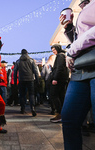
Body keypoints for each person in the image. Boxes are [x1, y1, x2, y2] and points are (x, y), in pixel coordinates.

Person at [59, 0, 95, 149]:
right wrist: (69, 27)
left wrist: (72, 50)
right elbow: (80, 39)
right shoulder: (85, 6)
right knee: (69, 120)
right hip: (81, 68)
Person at [14, 49, 39, 116]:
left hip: (21, 79)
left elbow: (15, 71)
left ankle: (22, 108)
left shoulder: (18, 61)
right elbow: (35, 71)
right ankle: (32, 108)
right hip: (30, 79)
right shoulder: (31, 60)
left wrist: (14, 81)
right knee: (31, 94)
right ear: (27, 53)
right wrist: (37, 80)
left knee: (22, 95)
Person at [49, 44, 69, 123]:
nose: (53, 51)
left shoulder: (60, 56)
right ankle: (62, 114)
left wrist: (55, 78)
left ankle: (60, 114)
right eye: (52, 50)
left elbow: (59, 68)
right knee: (61, 96)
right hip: (62, 79)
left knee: (53, 94)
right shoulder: (62, 55)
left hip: (59, 79)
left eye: (54, 49)